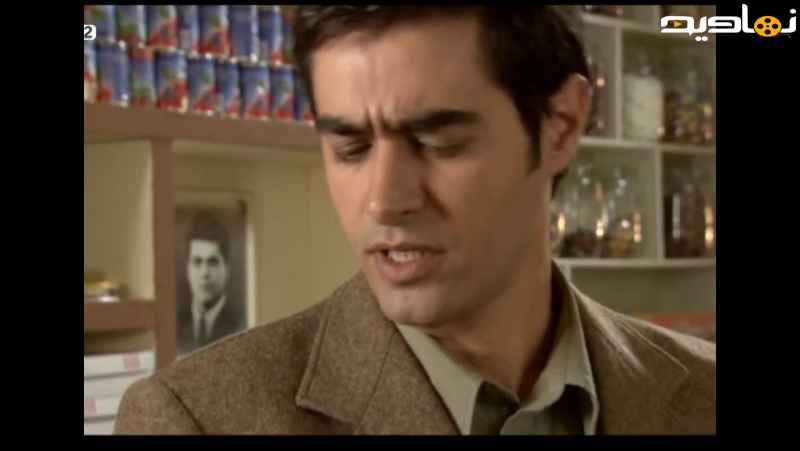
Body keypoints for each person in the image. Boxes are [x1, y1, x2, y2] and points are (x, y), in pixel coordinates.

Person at [116, 6, 715, 435]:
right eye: (351, 148)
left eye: (438, 142)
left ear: (561, 126)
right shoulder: (193, 420)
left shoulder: (704, 394)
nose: (385, 200)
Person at [177, 211, 245, 355]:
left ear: (227, 269)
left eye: (213, 262)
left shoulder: (241, 323)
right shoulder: (175, 325)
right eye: (197, 262)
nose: (204, 273)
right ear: (187, 268)